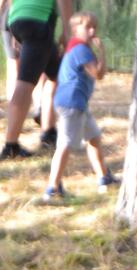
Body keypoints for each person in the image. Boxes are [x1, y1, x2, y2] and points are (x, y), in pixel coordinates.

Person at [1, 0, 82, 160]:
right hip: (39, 21)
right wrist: (70, 30)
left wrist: (14, 22)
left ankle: (49, 131)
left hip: (19, 17)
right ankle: (10, 145)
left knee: (57, 73)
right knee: (26, 82)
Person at [45, 12, 118, 200]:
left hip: (77, 103)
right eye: (87, 27)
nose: (92, 31)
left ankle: (104, 177)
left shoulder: (75, 48)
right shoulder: (81, 50)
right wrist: (102, 51)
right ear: (75, 29)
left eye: (94, 27)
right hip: (72, 103)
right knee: (65, 145)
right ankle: (52, 188)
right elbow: (98, 74)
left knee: (94, 137)